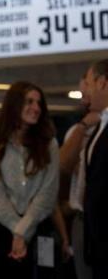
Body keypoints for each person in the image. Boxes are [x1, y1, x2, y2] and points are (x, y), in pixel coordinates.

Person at [0, 81, 59, 279]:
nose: (36, 108)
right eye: (29, 102)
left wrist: (22, 231)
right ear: (14, 105)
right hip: (2, 228)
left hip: (41, 228)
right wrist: (18, 230)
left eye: (39, 103)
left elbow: (48, 194)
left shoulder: (49, 144)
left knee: (44, 274)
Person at [60, 69, 100, 279]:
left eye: (88, 86)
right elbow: (64, 166)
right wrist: (83, 127)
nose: (85, 95)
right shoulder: (77, 130)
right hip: (82, 218)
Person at [82, 59, 108, 278]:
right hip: (98, 246)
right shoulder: (100, 125)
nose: (85, 89)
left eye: (89, 83)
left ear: (102, 83)